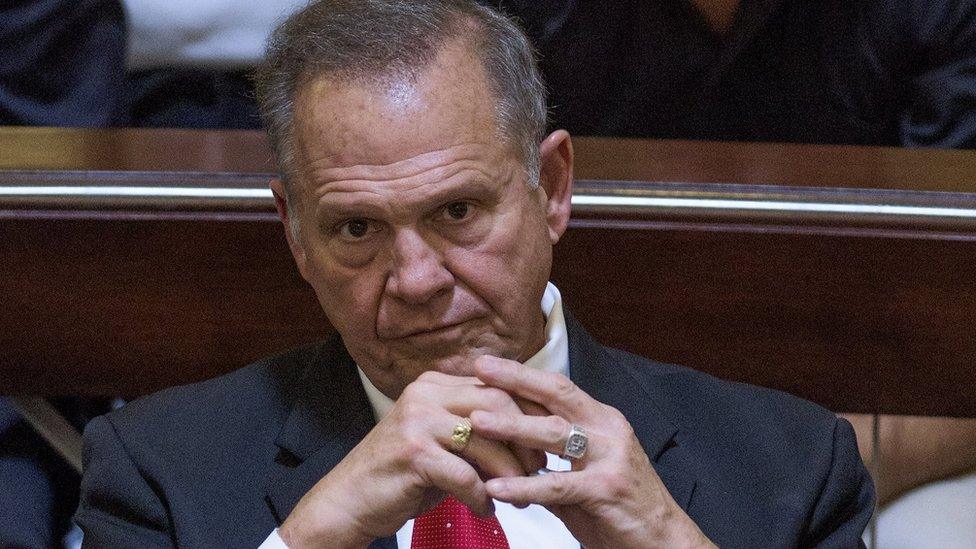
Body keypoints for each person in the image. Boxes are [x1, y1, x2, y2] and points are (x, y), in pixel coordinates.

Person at [74, 1, 874, 547]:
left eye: (457, 212)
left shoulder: (792, 467)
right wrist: (310, 535)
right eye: (358, 228)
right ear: (295, 233)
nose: (417, 278)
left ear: (551, 188)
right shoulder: (156, 472)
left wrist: (667, 536)